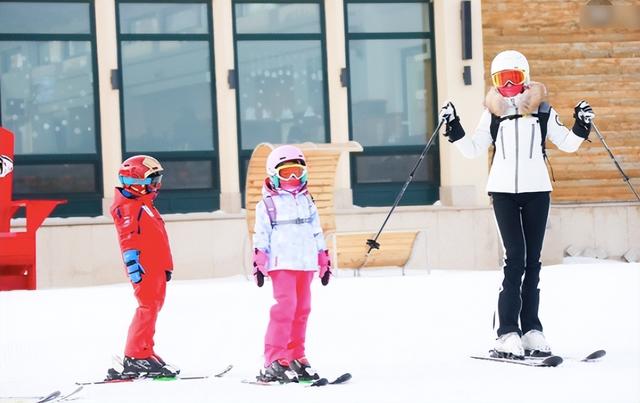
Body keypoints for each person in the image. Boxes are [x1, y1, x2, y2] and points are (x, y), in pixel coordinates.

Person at [439, 50, 595, 359]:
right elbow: (472, 149)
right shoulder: (493, 114)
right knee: (516, 259)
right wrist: (454, 126)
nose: (508, 85)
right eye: (501, 80)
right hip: (503, 194)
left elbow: (567, 143)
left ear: (524, 78)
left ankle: (531, 330)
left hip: (538, 192)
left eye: (513, 78)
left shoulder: (542, 111)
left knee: (533, 261)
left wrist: (582, 123)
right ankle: (506, 332)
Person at [252, 145, 332, 383]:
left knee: (302, 310)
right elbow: (261, 234)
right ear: (274, 174)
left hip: (305, 263)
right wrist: (259, 259)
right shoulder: (267, 204)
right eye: (287, 173)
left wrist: (323, 257)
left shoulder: (307, 200)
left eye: (297, 172)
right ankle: (275, 360)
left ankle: (296, 356)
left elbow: (316, 230)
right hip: (282, 263)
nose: (293, 178)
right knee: (285, 309)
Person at [109, 155, 178, 378]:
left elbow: (156, 237)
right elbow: (127, 239)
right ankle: (136, 355)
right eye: (153, 181)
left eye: (158, 180)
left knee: (153, 308)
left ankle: (145, 350)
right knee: (147, 308)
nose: (157, 186)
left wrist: (166, 265)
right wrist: (133, 265)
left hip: (156, 266)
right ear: (136, 182)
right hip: (144, 267)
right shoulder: (128, 208)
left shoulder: (144, 204)